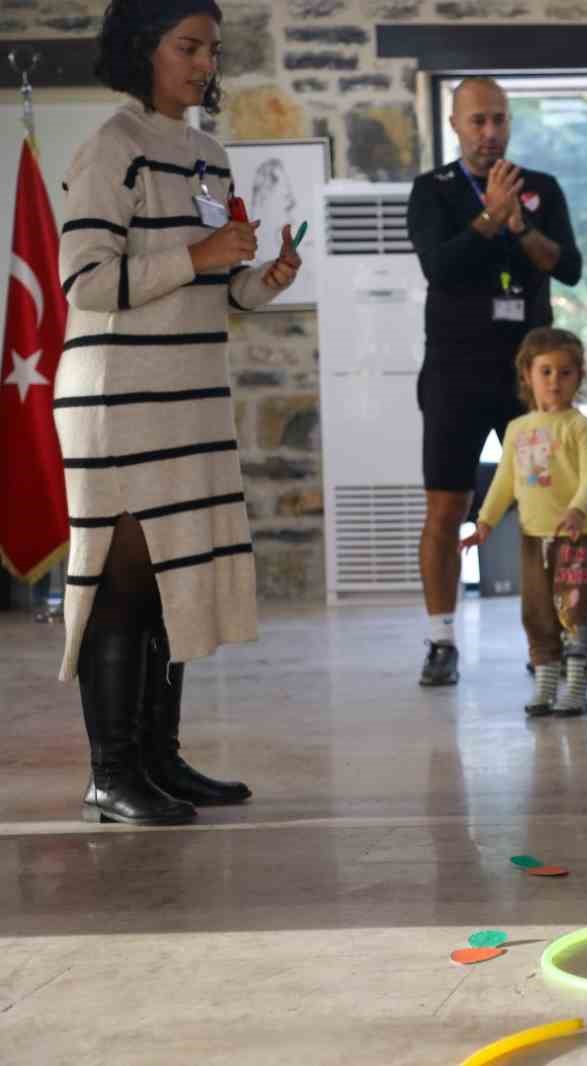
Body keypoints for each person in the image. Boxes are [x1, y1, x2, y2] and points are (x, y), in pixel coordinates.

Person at [56, 0, 301, 825]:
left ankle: (158, 760)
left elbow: (210, 286)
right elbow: (87, 283)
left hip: (187, 399)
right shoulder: (111, 149)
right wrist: (197, 254)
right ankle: (111, 771)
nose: (203, 64)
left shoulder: (207, 155)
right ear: (141, 50)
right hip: (118, 400)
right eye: (187, 47)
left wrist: (260, 278)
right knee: (122, 585)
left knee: (169, 584)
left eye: (211, 50)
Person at [407, 76, 583, 688]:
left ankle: (551, 643)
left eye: (499, 120)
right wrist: (487, 218)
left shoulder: (542, 189)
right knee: (446, 506)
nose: (490, 132)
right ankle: (440, 640)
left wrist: (518, 226)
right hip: (454, 373)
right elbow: (440, 266)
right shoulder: (431, 191)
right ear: (455, 125)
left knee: (543, 507)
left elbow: (571, 270)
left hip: (528, 380)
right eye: (478, 121)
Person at [461, 329, 587, 717]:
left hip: (576, 538)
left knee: (575, 610)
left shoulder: (581, 428)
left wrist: (577, 508)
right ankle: (545, 684)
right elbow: (505, 481)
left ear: (579, 377)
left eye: (565, 372)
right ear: (527, 375)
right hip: (531, 537)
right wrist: (485, 522)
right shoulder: (517, 430)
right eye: (546, 371)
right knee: (538, 612)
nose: (555, 381)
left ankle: (576, 688)